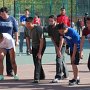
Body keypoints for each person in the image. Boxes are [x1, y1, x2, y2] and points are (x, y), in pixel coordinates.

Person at [47, 15, 69, 83]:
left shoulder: (59, 27)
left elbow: (61, 39)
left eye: (52, 21)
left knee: (58, 59)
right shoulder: (49, 27)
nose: (50, 22)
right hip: (56, 44)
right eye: (49, 21)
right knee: (61, 59)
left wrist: (59, 50)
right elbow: (52, 38)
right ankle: (66, 74)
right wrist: (56, 47)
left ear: (55, 20)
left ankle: (58, 76)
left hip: (62, 44)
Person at [26, 17, 46, 83]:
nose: (27, 25)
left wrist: (40, 52)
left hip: (41, 45)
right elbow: (27, 38)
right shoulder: (26, 29)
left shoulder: (38, 29)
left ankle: (36, 78)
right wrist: (29, 48)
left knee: (38, 60)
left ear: (33, 23)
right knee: (36, 61)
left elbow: (41, 40)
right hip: (34, 45)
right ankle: (42, 75)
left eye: (29, 24)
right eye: (26, 24)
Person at [0, 7, 18, 76]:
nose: (1, 15)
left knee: (10, 57)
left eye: (3, 14)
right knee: (1, 57)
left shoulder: (12, 19)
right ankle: (1, 73)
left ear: (6, 13)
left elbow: (16, 30)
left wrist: (16, 40)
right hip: (1, 41)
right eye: (0, 14)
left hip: (10, 41)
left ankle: (10, 71)